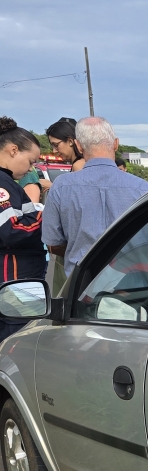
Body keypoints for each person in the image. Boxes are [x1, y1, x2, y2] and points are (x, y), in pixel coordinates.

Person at [41, 117, 148, 277]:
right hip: (134, 286)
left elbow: (53, 241)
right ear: (116, 143)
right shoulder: (143, 188)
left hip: (81, 285)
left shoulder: (61, 186)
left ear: (78, 145)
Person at [0, 118, 47, 338]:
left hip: (17, 280)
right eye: (30, 161)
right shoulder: (2, 184)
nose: (31, 168)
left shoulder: (9, 182)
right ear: (13, 150)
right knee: (16, 341)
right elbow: (11, 229)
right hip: (14, 283)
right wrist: (47, 215)